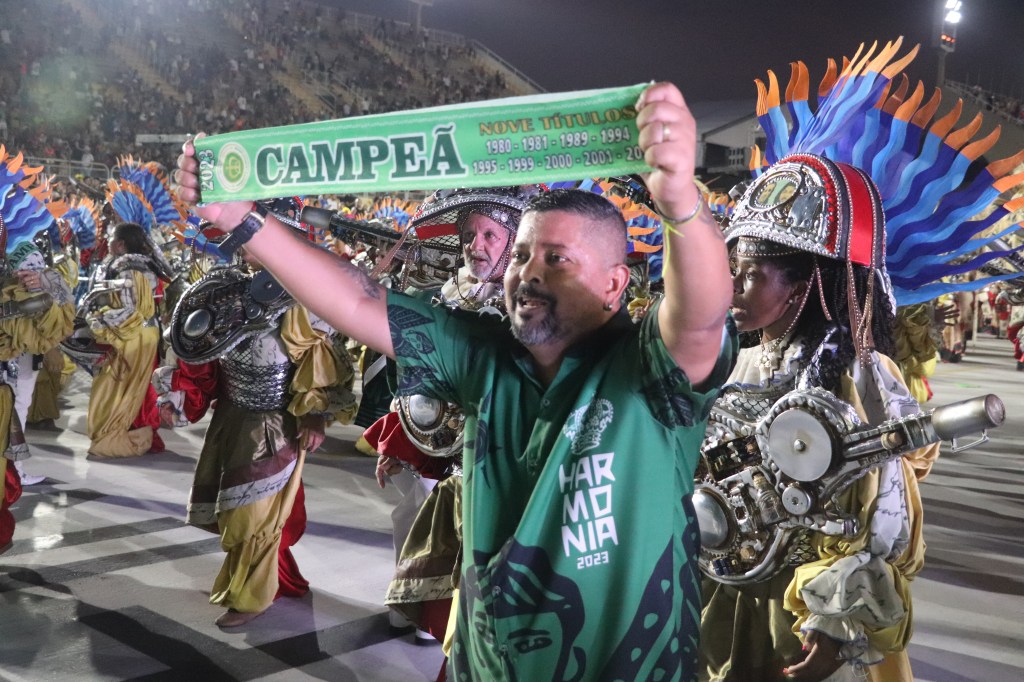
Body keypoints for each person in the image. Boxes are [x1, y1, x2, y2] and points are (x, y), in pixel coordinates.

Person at [176, 81, 737, 679]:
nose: (527, 273)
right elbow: (361, 300)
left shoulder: (649, 372)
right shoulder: (483, 356)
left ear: (614, 285)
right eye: (521, 255)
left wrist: (680, 200)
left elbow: (701, 317)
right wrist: (242, 221)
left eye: (557, 259)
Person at [84, 222, 164, 457]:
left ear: (120, 244)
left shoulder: (127, 268)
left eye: (110, 238)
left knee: (116, 389)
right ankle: (135, 432)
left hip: (131, 336)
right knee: (137, 389)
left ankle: (114, 435)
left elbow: (129, 312)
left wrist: (98, 319)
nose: (107, 242)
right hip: (147, 335)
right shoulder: (148, 264)